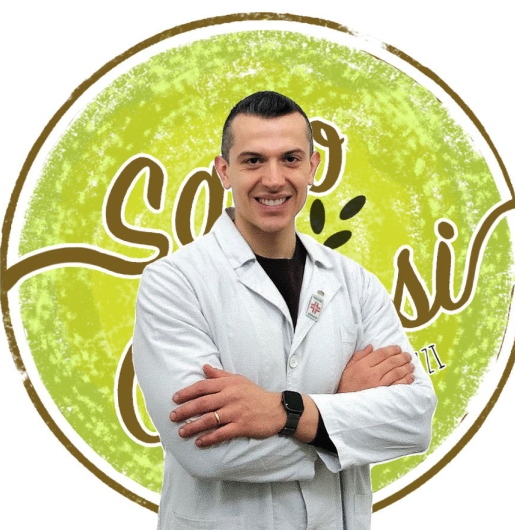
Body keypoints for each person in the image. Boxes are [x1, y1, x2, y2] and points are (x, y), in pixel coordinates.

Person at [132, 91, 437, 530]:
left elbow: (414, 419)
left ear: (313, 167)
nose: (273, 179)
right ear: (224, 171)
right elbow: (207, 449)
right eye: (253, 161)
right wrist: (342, 412)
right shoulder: (174, 283)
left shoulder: (356, 284)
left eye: (290, 159)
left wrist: (282, 412)